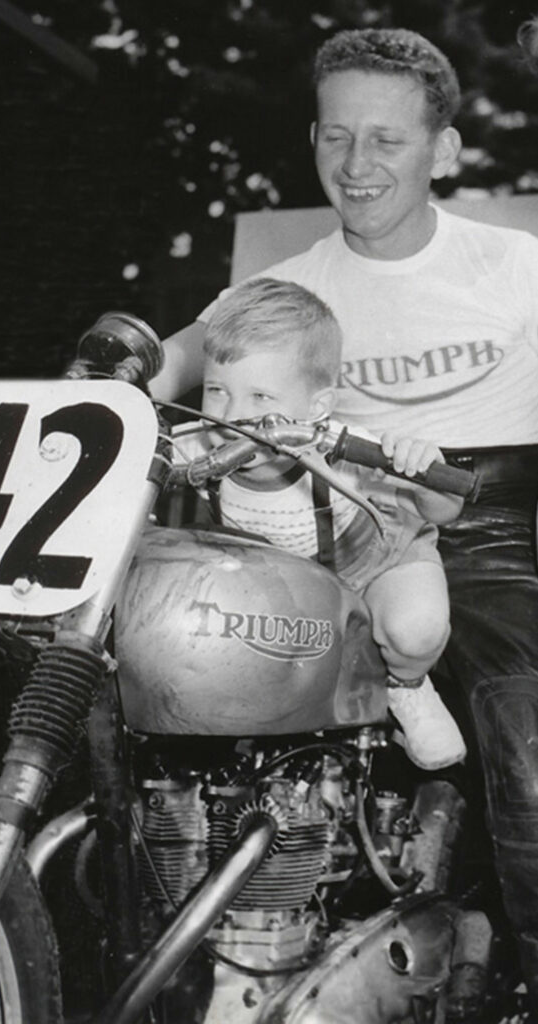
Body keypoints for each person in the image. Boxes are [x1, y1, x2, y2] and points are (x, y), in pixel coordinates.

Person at [151, 27, 538, 1012]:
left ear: (442, 152)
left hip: (485, 526)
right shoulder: (286, 290)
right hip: (318, 523)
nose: (355, 165)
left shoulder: (515, 267)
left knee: (528, 749)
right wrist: (108, 384)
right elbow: (183, 355)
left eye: (386, 140)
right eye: (334, 137)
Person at [174, 275, 466, 770]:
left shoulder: (346, 448)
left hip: (371, 561)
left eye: (262, 398)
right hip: (269, 583)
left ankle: (409, 689)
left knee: (415, 628)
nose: (234, 416)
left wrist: (422, 472)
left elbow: (445, 510)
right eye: (218, 391)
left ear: (317, 408)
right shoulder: (195, 444)